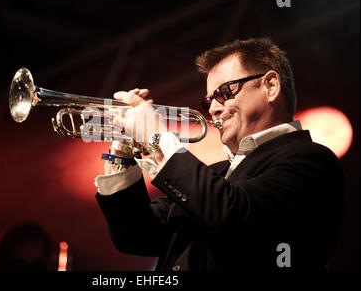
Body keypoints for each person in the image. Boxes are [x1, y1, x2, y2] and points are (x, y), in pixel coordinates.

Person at [94, 38, 345, 270]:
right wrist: (122, 153)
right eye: (208, 101)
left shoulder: (311, 160)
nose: (213, 109)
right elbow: (137, 236)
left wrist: (156, 136)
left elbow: (234, 215)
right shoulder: (216, 173)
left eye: (224, 93)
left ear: (270, 86)